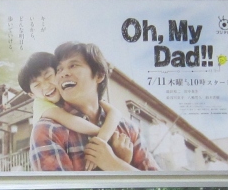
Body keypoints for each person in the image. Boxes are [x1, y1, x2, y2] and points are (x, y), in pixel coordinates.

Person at [28, 42, 158, 171]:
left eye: (73, 65)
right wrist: (119, 164)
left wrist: (115, 164)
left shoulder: (127, 128)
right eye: (59, 69)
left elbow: (159, 182)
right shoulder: (48, 130)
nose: (63, 73)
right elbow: (59, 186)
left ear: (99, 75)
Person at [18, 50, 132, 164]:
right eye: (37, 85)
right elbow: (72, 121)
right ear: (32, 95)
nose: (46, 85)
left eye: (48, 76)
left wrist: (104, 137)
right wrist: (105, 136)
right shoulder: (41, 105)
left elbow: (115, 112)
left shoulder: (72, 92)